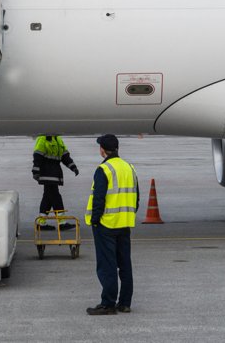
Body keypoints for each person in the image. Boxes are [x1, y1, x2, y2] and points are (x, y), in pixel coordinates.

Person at [85, 134, 140, 315]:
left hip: (106, 225)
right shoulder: (129, 167)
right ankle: (124, 303)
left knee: (107, 265)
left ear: (103, 150)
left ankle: (108, 303)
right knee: (125, 264)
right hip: (124, 224)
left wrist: (94, 221)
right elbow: (136, 198)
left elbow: (99, 198)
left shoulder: (104, 169)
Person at [32, 135, 79, 231]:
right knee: (56, 197)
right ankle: (61, 223)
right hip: (47, 174)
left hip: (55, 173)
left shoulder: (58, 140)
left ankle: (42, 222)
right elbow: (37, 156)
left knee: (48, 197)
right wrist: (35, 171)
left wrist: (73, 167)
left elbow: (65, 156)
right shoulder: (43, 139)